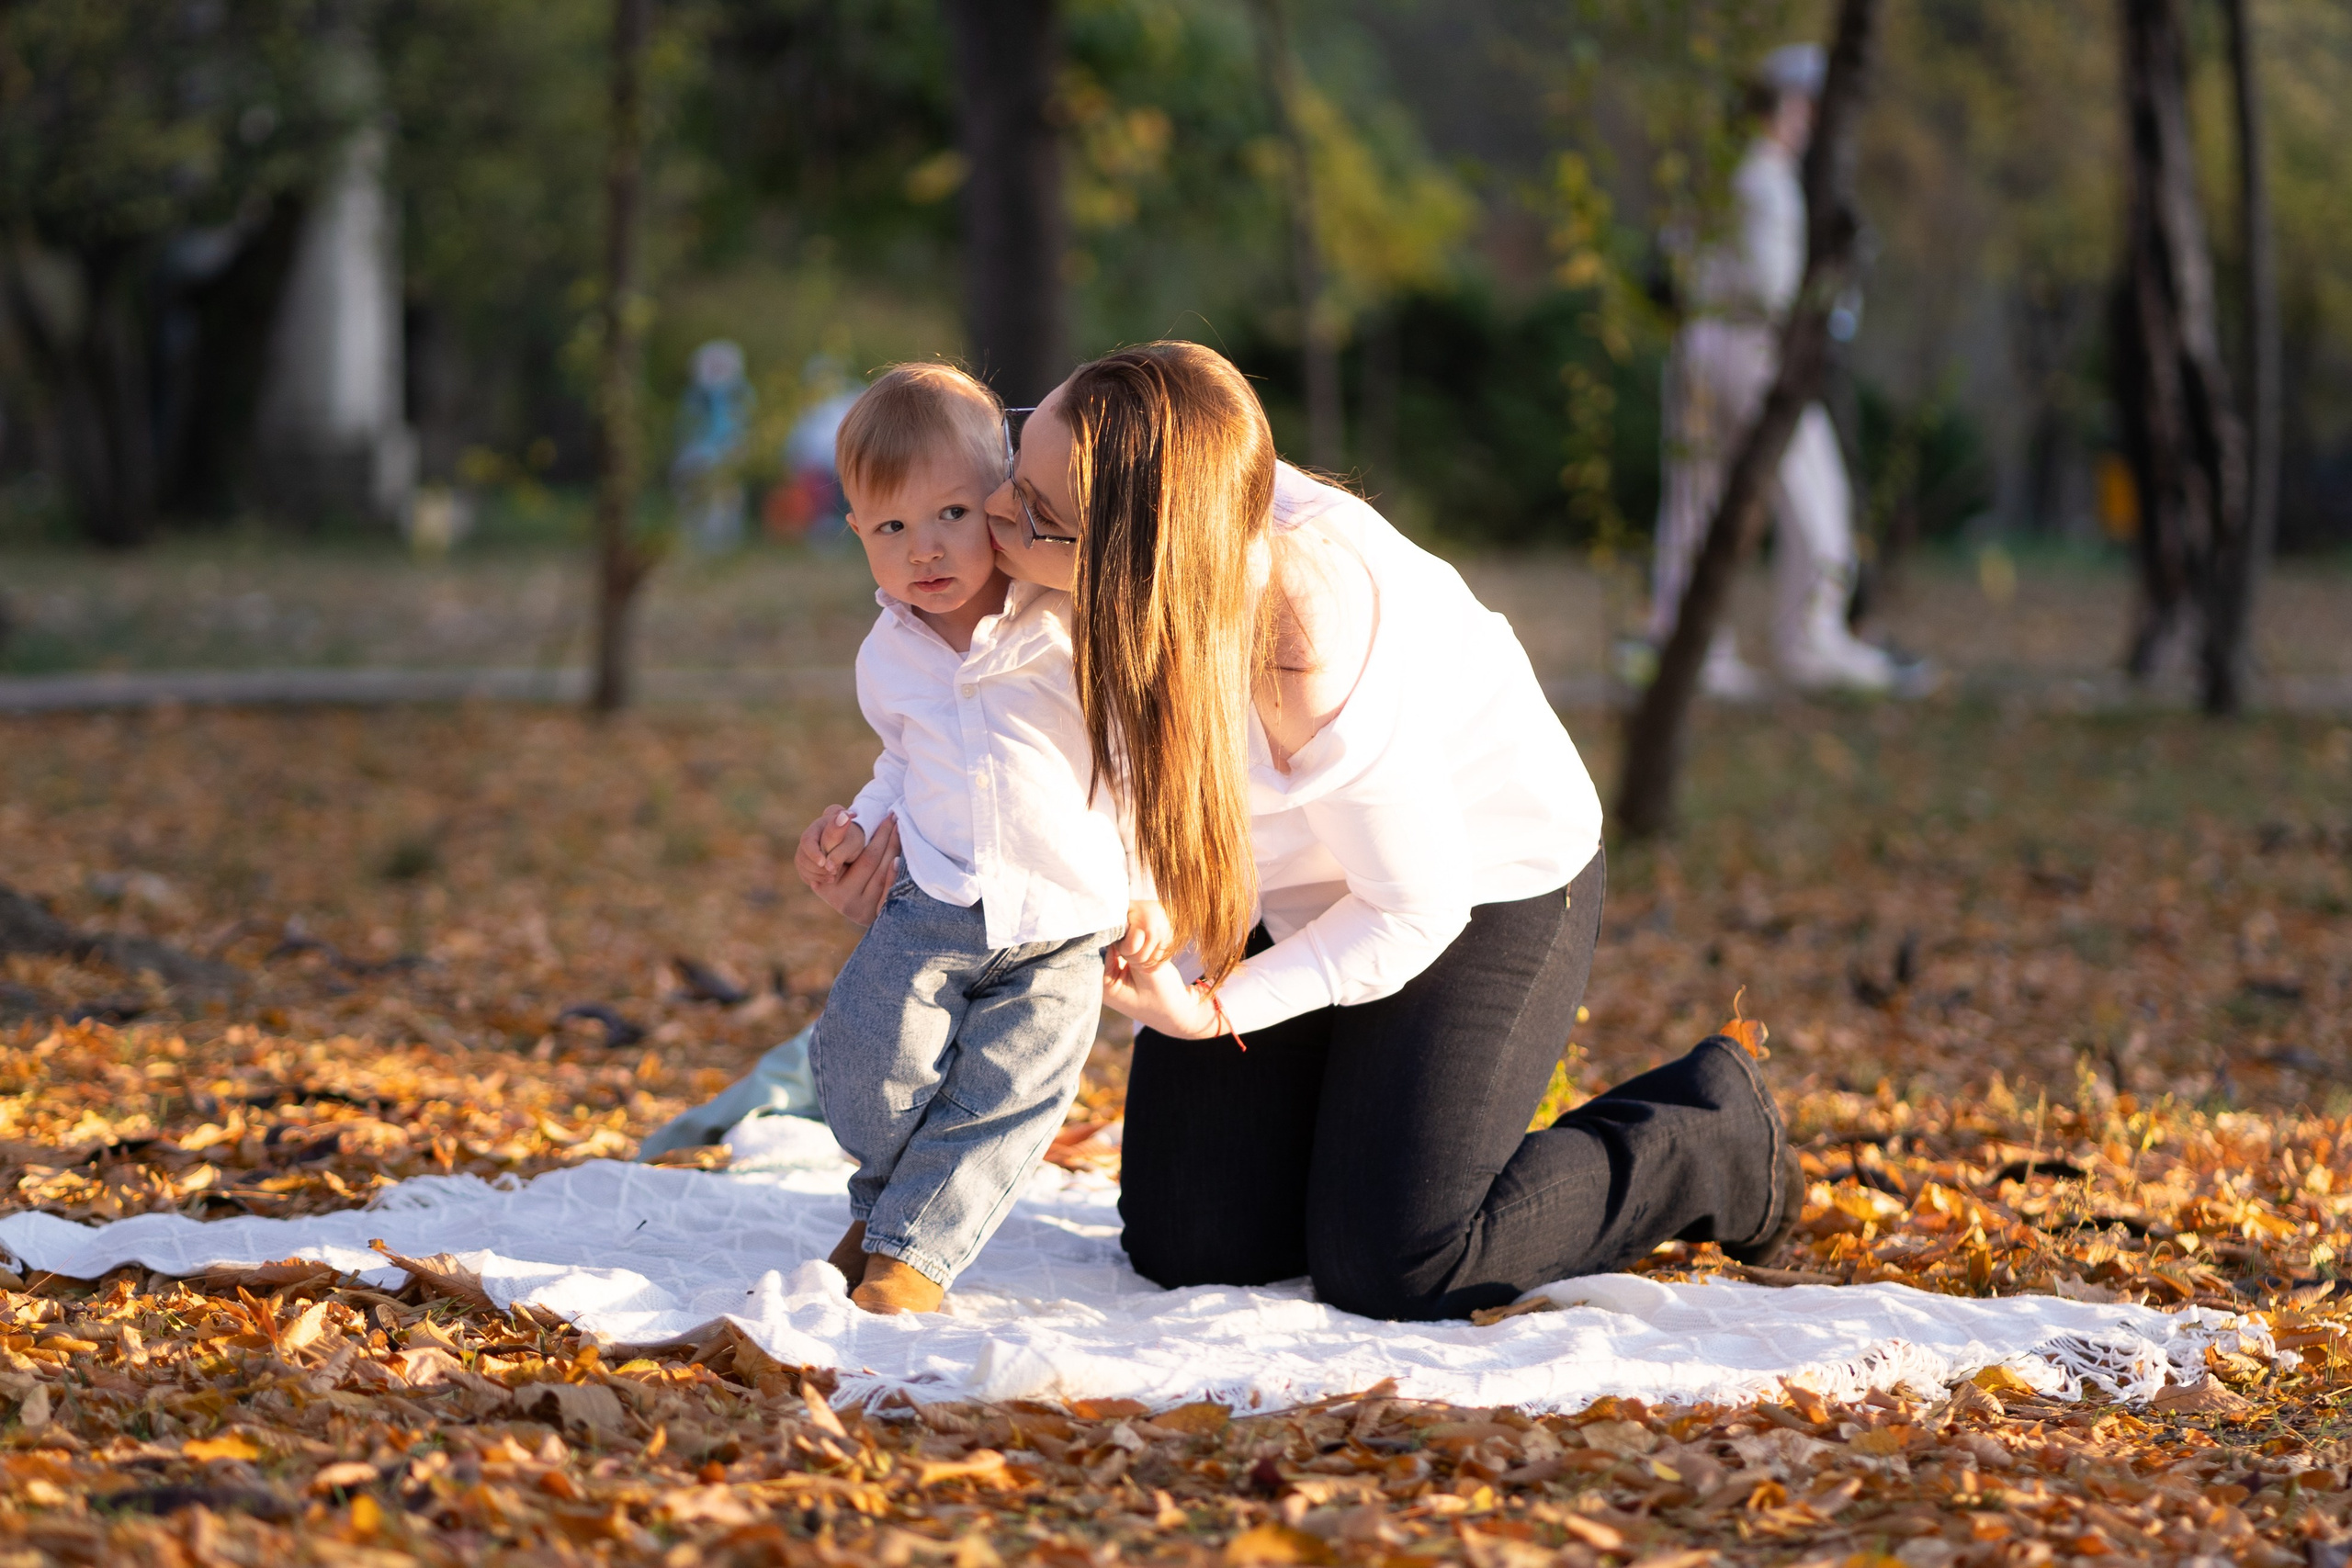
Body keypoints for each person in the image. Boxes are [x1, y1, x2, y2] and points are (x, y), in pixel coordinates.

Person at [805, 343, 1802, 1323]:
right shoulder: (1094, 538)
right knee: (1190, 1244)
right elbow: (947, 656)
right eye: (1013, 472)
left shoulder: (1300, 641)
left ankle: (1709, 1135)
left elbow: (1412, 912)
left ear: (1127, 564)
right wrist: (897, 859)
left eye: (1030, 511)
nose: (989, 516)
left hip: (1471, 881)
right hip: (1268, 890)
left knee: (1398, 1259)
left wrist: (1212, 1012)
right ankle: (1344, 1122)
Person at [790, 363, 1168, 1314]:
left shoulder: (1065, 625)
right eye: (891, 528)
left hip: (1065, 915)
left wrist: (1150, 885)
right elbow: (900, 762)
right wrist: (857, 827)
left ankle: (909, 1258)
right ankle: (894, 1210)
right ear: (857, 536)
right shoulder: (888, 655)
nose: (924, 549)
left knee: (1009, 1095)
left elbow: (1133, 760)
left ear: (1001, 503)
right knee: (865, 1066)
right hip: (936, 903)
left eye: (951, 515)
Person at [1648, 43, 1912, 697]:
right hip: (1751, 347)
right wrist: (1831, 288)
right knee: (1813, 493)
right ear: (1791, 106)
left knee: (1697, 502)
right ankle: (1810, 640)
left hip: (1700, 343)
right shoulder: (1766, 179)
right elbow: (1774, 287)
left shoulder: (1721, 177)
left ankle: (1690, 645)